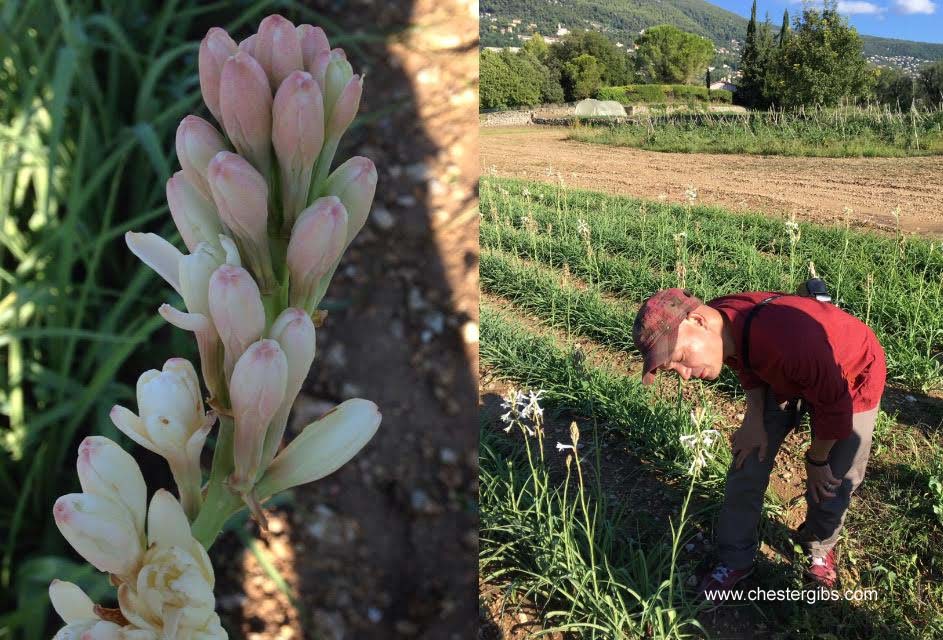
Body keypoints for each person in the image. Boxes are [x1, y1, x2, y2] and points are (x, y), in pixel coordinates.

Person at [632, 288, 885, 602]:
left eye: (681, 357)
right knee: (748, 457)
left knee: (835, 477)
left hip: (850, 375)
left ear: (698, 320)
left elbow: (835, 407)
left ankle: (819, 547)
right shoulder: (722, 323)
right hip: (784, 367)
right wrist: (753, 418)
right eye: (675, 368)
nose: (684, 375)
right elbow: (743, 359)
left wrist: (817, 460)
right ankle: (735, 558)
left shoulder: (792, 341)